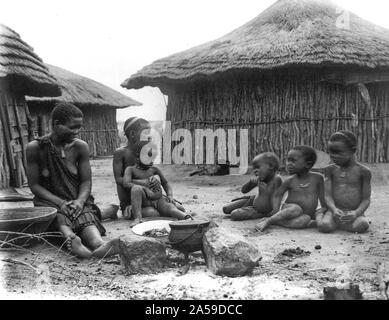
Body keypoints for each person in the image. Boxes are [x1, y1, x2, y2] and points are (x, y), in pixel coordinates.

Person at [26, 102, 119, 259]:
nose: (77, 132)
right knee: (57, 217)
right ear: (57, 124)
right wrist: (60, 203)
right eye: (72, 127)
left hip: (76, 200)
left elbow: (86, 182)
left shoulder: (80, 147)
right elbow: (34, 186)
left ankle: (98, 245)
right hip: (49, 202)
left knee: (86, 218)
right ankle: (74, 242)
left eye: (79, 127)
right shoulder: (35, 147)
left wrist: (80, 201)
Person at [113, 117, 186, 220]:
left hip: (150, 197)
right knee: (153, 213)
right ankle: (131, 209)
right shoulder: (120, 153)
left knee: (179, 209)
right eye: (146, 133)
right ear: (133, 134)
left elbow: (155, 176)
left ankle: (158, 205)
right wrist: (143, 182)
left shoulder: (146, 151)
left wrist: (169, 196)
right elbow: (119, 179)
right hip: (132, 199)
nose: (149, 136)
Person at [255, 146, 326, 232]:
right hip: (289, 209)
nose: (288, 164)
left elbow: (322, 195)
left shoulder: (318, 178)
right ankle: (269, 221)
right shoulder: (290, 180)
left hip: (307, 214)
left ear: (308, 164)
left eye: (293, 161)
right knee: (296, 209)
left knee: (304, 219)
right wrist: (275, 210)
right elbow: (278, 195)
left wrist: (324, 208)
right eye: (288, 160)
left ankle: (279, 222)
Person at [122, 140, 190, 224]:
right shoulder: (130, 170)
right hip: (144, 201)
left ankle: (187, 218)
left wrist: (170, 195)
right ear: (137, 157)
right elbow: (126, 183)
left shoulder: (154, 169)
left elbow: (165, 183)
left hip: (158, 200)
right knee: (136, 189)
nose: (152, 160)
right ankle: (137, 218)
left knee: (170, 208)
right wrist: (144, 187)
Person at [316, 131, 371, 234]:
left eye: (338, 152)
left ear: (353, 150)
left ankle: (341, 224)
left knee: (362, 225)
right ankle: (319, 214)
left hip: (353, 211)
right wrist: (333, 209)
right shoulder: (330, 170)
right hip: (334, 211)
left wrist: (356, 213)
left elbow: (366, 199)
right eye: (330, 152)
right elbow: (327, 196)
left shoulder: (364, 172)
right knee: (324, 226)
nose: (333, 156)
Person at [223, 153, 282, 221]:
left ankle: (260, 213)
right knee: (225, 209)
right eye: (254, 168)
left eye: (258, 167)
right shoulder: (260, 178)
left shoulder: (276, 179)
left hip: (261, 210)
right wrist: (251, 183)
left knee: (234, 214)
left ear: (270, 166)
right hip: (252, 200)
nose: (255, 170)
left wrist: (272, 214)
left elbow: (276, 199)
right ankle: (249, 203)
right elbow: (244, 190)